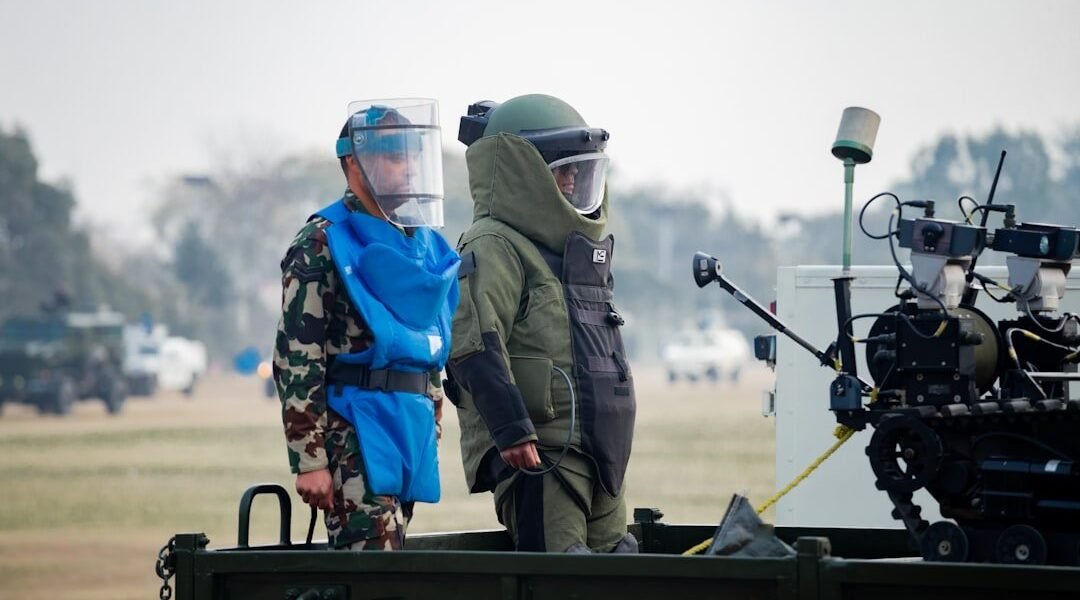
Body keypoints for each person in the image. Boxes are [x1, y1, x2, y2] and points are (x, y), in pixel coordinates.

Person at [447, 94, 638, 553]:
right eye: (559, 166)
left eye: (578, 167)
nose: (572, 178)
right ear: (521, 174)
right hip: (542, 452)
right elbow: (473, 344)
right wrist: (511, 429)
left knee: (621, 566)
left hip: (600, 448)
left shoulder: (575, 251)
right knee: (561, 576)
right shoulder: (493, 243)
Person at [273, 99, 459, 550]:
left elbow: (427, 345)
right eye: (396, 157)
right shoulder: (322, 241)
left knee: (394, 560)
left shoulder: (420, 243)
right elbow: (299, 355)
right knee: (375, 572)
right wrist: (310, 458)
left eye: (414, 155)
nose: (411, 168)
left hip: (407, 427)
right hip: (354, 432)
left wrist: (429, 425)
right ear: (353, 162)